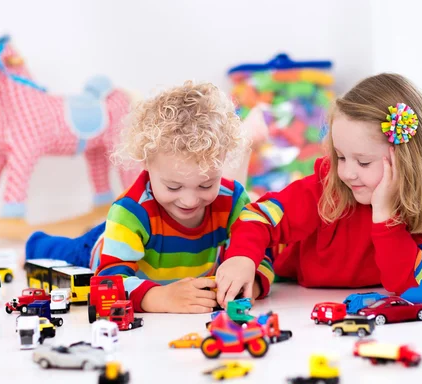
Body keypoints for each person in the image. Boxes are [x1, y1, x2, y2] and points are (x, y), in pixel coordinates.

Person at [25, 81, 273, 313]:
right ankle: (35, 242)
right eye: (174, 187)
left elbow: (262, 254)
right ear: (146, 163)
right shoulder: (130, 211)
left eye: (206, 184)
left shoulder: (233, 200)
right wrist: (162, 298)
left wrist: (251, 285)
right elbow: (110, 280)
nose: (190, 201)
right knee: (61, 252)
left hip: (147, 246)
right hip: (100, 249)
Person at [215, 73, 422, 307]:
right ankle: (247, 139)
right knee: (226, 199)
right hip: (280, 256)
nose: (348, 173)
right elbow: (257, 215)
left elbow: (411, 285)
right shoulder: (328, 185)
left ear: (407, 160)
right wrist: (241, 258)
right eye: (341, 157)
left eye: (363, 162)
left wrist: (386, 215)